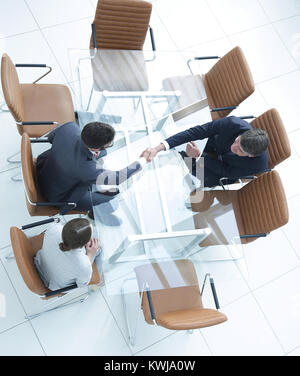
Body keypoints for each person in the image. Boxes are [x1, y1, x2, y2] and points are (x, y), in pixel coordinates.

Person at [36, 121, 151, 220]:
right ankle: (93, 214)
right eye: (108, 145)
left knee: (103, 154)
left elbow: (51, 138)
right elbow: (117, 178)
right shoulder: (87, 169)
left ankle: (94, 191)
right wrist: (143, 160)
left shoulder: (70, 127)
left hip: (43, 168)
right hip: (56, 195)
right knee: (112, 203)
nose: (108, 146)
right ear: (95, 149)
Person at [145, 116, 269, 187]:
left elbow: (226, 171)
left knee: (189, 179)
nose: (234, 146)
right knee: (177, 155)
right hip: (213, 146)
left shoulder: (258, 164)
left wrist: (199, 156)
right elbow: (197, 132)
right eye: (237, 140)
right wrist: (158, 148)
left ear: (251, 155)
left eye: (240, 150)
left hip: (220, 170)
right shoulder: (232, 123)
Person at [34, 218, 101, 291]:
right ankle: (101, 281)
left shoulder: (54, 228)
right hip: (52, 284)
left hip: (39, 261)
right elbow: (82, 284)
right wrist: (90, 254)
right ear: (85, 243)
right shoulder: (83, 264)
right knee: (99, 247)